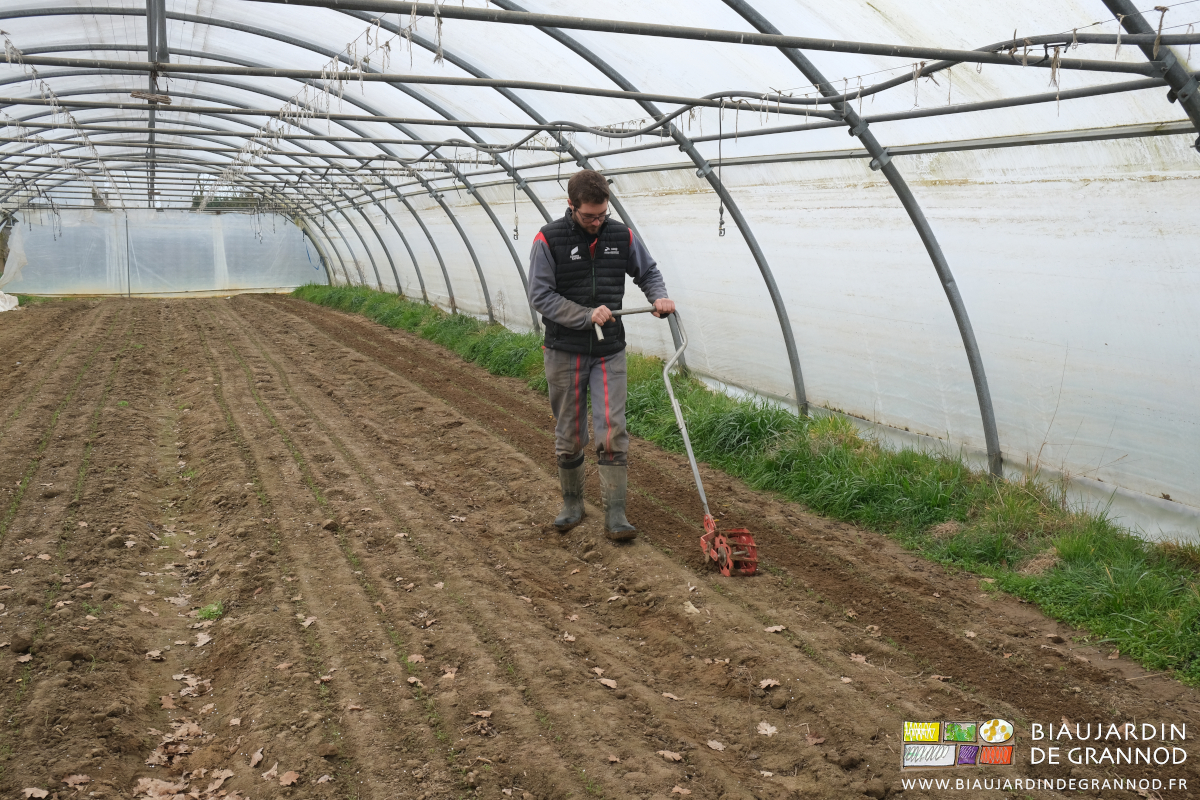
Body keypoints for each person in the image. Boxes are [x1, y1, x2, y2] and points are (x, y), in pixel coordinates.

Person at [527, 169, 675, 542]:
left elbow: (648, 271)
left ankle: (616, 513)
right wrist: (583, 315)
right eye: (589, 215)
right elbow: (540, 296)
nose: (596, 222)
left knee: (612, 427)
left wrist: (657, 296)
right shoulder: (548, 239)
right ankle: (573, 504)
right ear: (571, 206)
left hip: (608, 350)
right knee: (570, 431)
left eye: (602, 214)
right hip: (565, 350)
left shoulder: (620, 234)